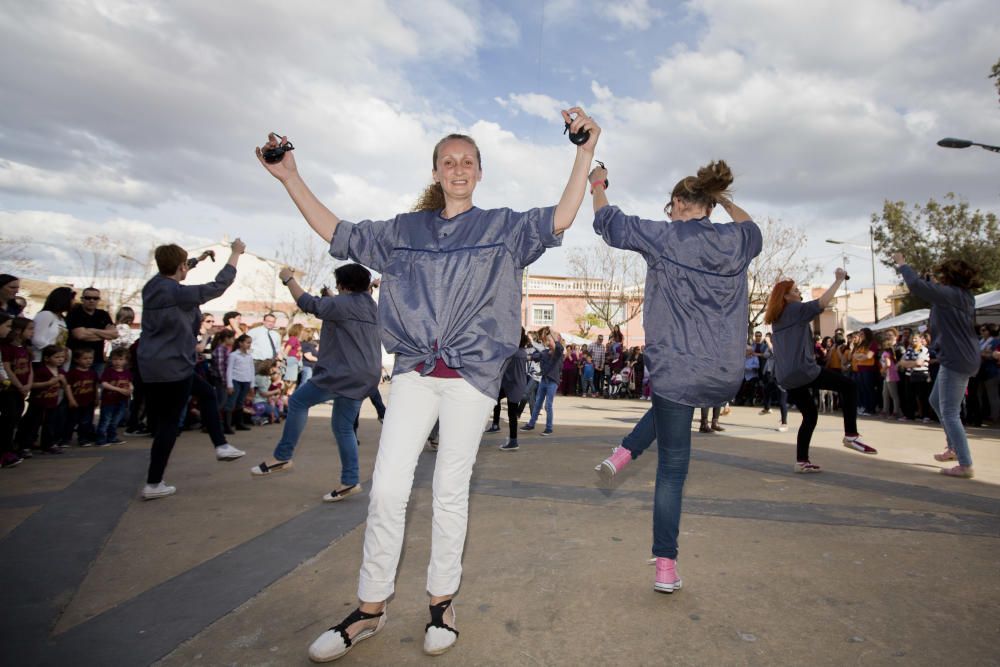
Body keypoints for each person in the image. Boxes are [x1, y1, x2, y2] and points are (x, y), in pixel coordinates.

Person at [258, 107, 599, 660]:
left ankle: (442, 603)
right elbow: (338, 232)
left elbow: (560, 216)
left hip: (471, 376)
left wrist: (583, 152)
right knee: (389, 487)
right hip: (415, 371)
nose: (458, 168)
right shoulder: (402, 232)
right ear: (436, 172)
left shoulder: (505, 228)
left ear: (479, 172)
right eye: (448, 161)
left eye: (467, 161)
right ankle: (371, 608)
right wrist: (291, 176)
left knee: (449, 490)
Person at [588, 158, 761, 595]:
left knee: (672, 472)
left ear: (681, 203)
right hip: (723, 374)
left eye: (671, 206)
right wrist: (723, 202)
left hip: (677, 370)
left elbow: (609, 223)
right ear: (711, 204)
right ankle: (623, 454)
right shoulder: (736, 240)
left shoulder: (665, 236)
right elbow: (754, 227)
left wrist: (597, 183)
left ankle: (665, 565)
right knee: (668, 413)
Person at [251, 263, 380, 504]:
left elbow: (308, 303)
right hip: (365, 376)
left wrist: (288, 279)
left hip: (343, 373)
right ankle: (350, 480)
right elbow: (345, 314)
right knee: (343, 428)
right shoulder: (369, 305)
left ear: (343, 285)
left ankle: (283, 455)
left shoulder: (343, 303)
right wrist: (333, 298)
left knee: (298, 400)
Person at [137, 239, 247, 501]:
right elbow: (219, 286)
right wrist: (234, 254)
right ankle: (154, 483)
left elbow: (173, 270)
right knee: (168, 424)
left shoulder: (152, 287)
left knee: (207, 393)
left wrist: (198, 259)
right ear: (181, 267)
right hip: (174, 366)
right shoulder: (178, 293)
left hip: (150, 365)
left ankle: (221, 445)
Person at [764, 269, 876, 474]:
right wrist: (838, 280)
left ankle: (802, 461)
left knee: (810, 415)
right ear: (787, 296)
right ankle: (851, 434)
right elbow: (822, 303)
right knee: (849, 386)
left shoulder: (778, 317)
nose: (800, 294)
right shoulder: (794, 309)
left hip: (786, 376)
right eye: (796, 291)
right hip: (803, 371)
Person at [894, 254, 981, 478]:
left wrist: (903, 265)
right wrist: (930, 282)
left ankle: (965, 463)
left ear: (949, 277)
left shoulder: (949, 295)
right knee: (936, 401)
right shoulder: (963, 296)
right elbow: (932, 292)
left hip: (956, 358)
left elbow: (915, 285)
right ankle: (953, 448)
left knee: (950, 412)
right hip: (961, 356)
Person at [17, 344, 74, 454]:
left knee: (50, 424)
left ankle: (48, 444)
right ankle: (25, 446)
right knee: (33, 424)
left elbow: (65, 385)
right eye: (57, 357)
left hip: (52, 402)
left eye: (62, 357)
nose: (60, 360)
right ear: (47, 358)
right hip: (38, 402)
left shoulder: (61, 371)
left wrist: (63, 381)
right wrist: (48, 383)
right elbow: (32, 384)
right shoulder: (41, 370)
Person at [491, 328, 530, 451]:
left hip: (513, 385)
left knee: (511, 414)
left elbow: (506, 369)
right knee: (499, 401)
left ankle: (513, 441)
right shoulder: (522, 351)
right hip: (515, 385)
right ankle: (506, 434)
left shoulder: (514, 353)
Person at [521, 327, 564, 435]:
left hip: (552, 382)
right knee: (537, 404)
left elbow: (559, 347)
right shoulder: (544, 353)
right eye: (548, 340)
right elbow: (532, 357)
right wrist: (522, 357)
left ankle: (549, 428)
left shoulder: (558, 354)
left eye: (550, 340)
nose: (548, 342)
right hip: (544, 381)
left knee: (548, 405)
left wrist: (553, 334)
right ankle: (531, 424)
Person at [66, 287, 118, 375]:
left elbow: (114, 335)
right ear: (82, 299)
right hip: (77, 361)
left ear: (99, 300)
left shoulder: (103, 314)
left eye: (95, 298)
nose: (91, 300)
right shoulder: (74, 313)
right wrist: (103, 334)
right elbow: (80, 335)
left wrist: (91, 330)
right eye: (88, 298)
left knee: (97, 387)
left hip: (98, 360)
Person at [96, 348, 132, 446]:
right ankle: (101, 439)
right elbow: (103, 383)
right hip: (109, 400)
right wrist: (119, 390)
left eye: (120, 359)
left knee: (116, 420)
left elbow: (129, 383)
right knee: (105, 420)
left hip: (122, 400)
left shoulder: (127, 372)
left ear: (126, 360)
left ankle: (112, 437)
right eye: (115, 359)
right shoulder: (108, 371)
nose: (117, 362)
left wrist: (130, 389)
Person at [32, 287, 75, 366]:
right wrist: (55, 351)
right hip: (41, 360)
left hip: (55, 362)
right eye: (72, 299)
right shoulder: (46, 314)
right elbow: (37, 338)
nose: (74, 302)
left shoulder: (61, 319)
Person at [65, 348, 99, 446]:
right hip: (76, 401)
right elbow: (67, 386)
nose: (89, 360)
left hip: (89, 401)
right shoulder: (72, 373)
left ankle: (83, 439)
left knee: (86, 421)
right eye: (85, 358)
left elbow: (95, 385)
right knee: (71, 421)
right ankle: (65, 439)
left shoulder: (93, 372)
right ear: (77, 360)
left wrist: (97, 398)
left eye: (90, 358)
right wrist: (71, 399)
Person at [225, 334, 255, 432]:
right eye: (247, 342)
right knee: (231, 402)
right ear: (240, 343)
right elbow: (229, 370)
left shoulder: (249, 356)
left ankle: (239, 423)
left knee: (240, 402)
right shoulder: (233, 355)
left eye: (250, 343)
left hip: (246, 380)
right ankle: (227, 425)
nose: (249, 345)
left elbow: (251, 370)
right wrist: (229, 384)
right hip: (235, 380)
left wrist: (252, 385)